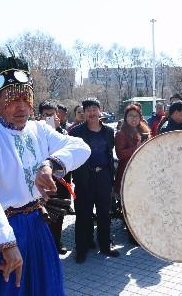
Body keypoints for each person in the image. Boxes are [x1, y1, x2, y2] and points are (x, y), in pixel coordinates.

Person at [0, 51, 90, 295]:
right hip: (0, 228)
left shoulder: (39, 129)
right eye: (11, 99)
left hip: (36, 224)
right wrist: (6, 243)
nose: (21, 106)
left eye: (26, 97)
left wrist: (51, 164)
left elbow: (80, 147)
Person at [69, 97, 119, 263]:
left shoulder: (108, 132)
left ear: (100, 110)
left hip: (103, 176)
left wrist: (111, 178)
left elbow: (109, 153)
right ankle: (82, 248)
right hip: (84, 178)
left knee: (104, 213)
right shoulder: (76, 132)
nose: (91, 113)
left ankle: (105, 244)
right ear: (84, 113)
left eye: (94, 109)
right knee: (83, 214)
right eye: (87, 109)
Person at [37, 100, 72, 254]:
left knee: (58, 216)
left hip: (60, 181)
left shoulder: (63, 133)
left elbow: (67, 152)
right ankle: (43, 246)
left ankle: (57, 242)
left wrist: (56, 130)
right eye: (46, 115)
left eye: (52, 114)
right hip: (41, 182)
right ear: (40, 116)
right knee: (41, 216)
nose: (49, 117)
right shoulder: (33, 132)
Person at [114, 105, 151, 243]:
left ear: (140, 118)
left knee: (142, 203)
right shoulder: (121, 134)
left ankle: (141, 230)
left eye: (136, 116)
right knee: (129, 204)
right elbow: (120, 154)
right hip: (127, 173)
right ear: (126, 118)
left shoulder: (145, 131)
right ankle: (132, 234)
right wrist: (136, 147)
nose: (133, 119)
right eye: (130, 116)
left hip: (142, 172)